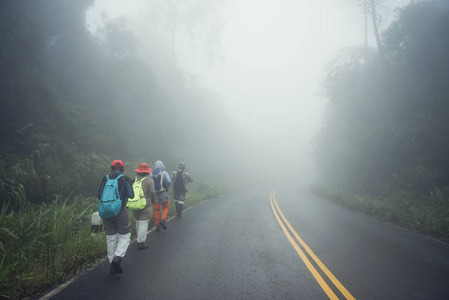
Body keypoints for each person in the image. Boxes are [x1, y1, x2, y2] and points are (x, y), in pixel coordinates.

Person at [98, 160, 134, 274]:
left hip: (105, 211)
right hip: (120, 211)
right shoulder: (125, 179)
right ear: (122, 169)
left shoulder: (105, 178)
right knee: (125, 234)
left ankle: (112, 262)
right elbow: (131, 195)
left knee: (111, 236)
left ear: (111, 168)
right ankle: (117, 258)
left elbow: (99, 195)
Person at [132, 163, 155, 250]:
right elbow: (152, 192)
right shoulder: (149, 181)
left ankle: (138, 238)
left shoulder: (135, 180)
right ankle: (140, 242)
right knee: (143, 223)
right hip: (146, 204)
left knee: (138, 221)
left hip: (136, 204)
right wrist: (153, 201)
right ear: (147, 172)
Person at [152, 160, 171, 232]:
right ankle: (163, 220)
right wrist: (166, 187)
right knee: (165, 207)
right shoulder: (164, 173)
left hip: (155, 194)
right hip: (163, 193)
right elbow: (169, 181)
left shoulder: (151, 173)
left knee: (156, 210)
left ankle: (157, 226)